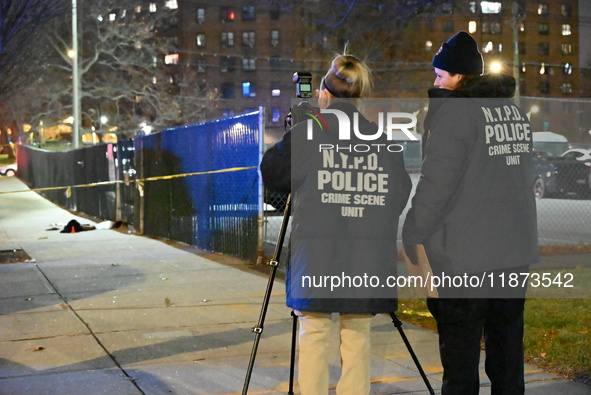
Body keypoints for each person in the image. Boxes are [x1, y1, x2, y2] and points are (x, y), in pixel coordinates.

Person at [260, 53, 411, 394]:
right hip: (365, 257)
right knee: (357, 337)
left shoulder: (309, 134)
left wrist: (298, 131)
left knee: (313, 335)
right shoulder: (383, 141)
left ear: (324, 95)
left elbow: (273, 175)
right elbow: (398, 196)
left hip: (317, 257)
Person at [402, 31, 539, 395]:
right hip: (513, 252)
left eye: (440, 75)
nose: (435, 82)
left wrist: (413, 233)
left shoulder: (455, 116)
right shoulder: (514, 113)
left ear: (459, 76)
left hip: (466, 257)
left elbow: (435, 185)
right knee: (508, 349)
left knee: (461, 354)